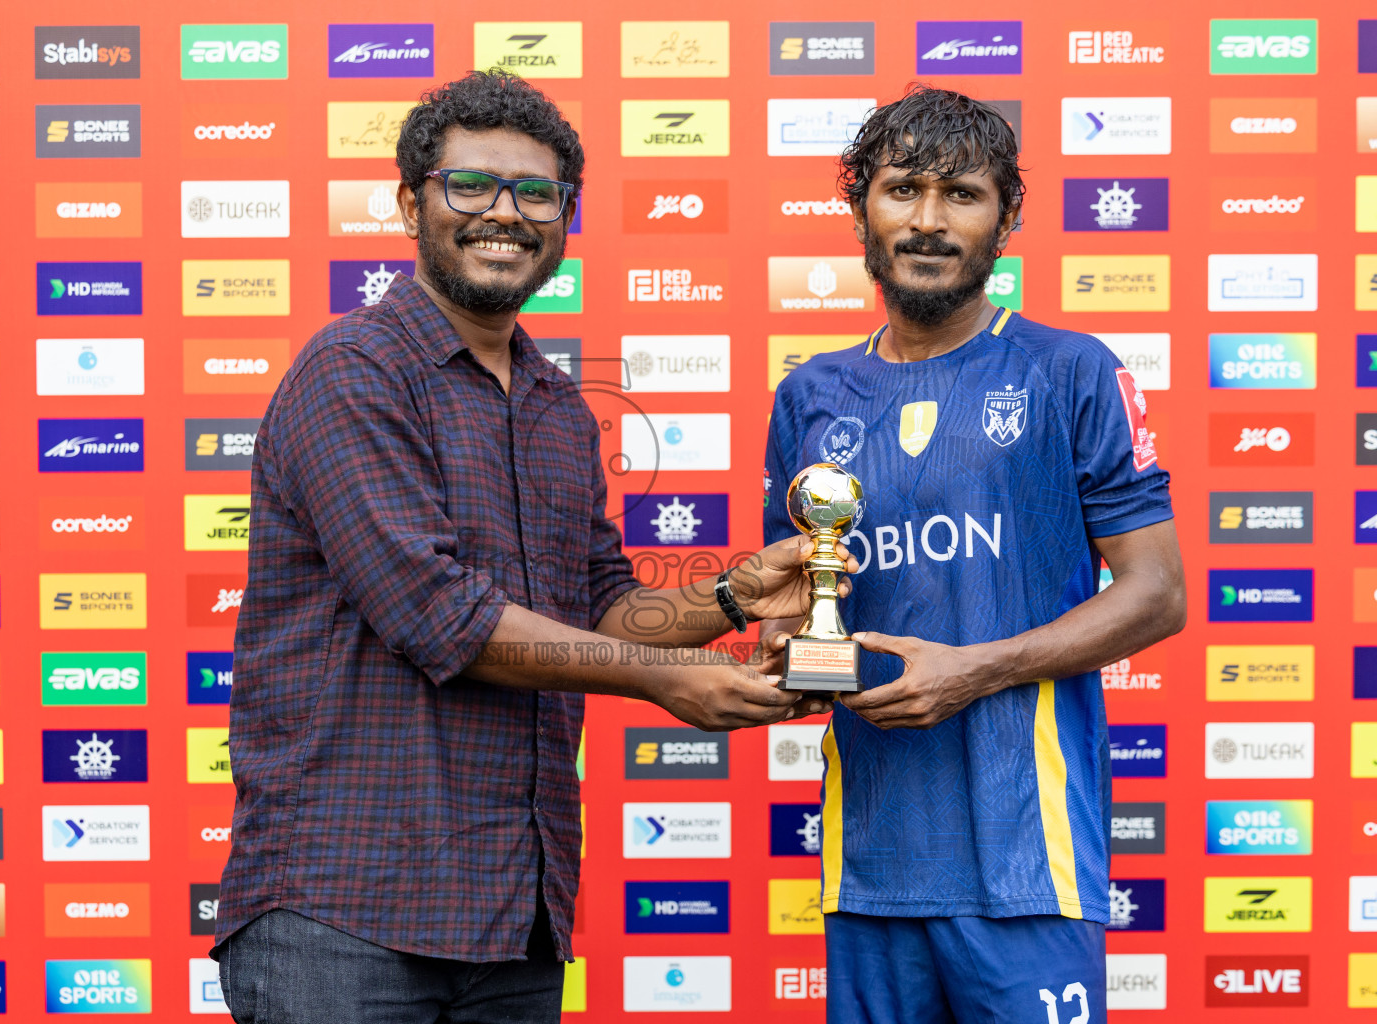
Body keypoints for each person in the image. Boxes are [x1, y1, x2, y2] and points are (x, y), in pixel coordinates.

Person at [211, 70, 844, 1024]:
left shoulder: (555, 408)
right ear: (409, 202)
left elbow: (600, 605)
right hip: (343, 913)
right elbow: (439, 614)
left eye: (536, 193)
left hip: (519, 916)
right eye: (471, 185)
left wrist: (738, 594)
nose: (504, 213)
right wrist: (659, 682)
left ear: (565, 219)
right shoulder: (351, 372)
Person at [758, 86, 1186, 1024]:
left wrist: (975, 671)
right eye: (903, 189)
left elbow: (1157, 595)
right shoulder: (810, 396)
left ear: (1007, 216)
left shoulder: (1069, 370)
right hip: (868, 863)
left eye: (961, 194)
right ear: (861, 207)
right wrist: (782, 648)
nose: (926, 220)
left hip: (1029, 857)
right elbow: (798, 607)